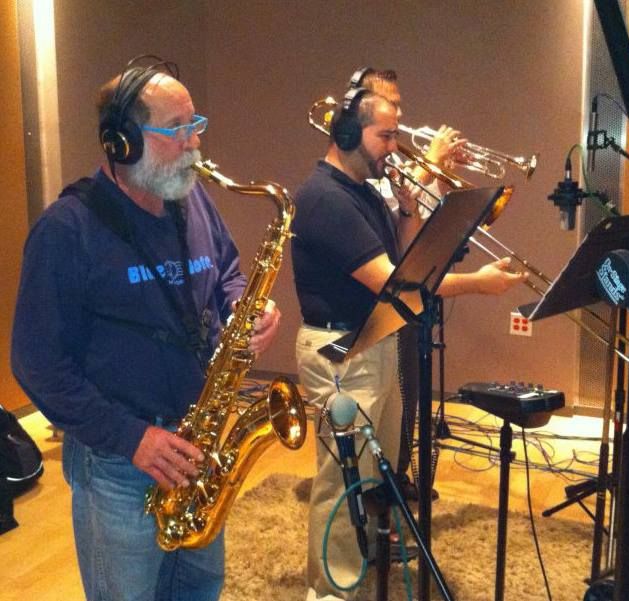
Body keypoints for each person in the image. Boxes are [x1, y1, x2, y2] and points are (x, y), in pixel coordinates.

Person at [11, 57, 281, 601]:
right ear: (123, 143)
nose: (194, 144)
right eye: (176, 130)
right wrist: (131, 438)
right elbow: (37, 363)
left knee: (201, 587)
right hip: (120, 462)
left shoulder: (192, 199)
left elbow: (226, 270)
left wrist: (242, 307)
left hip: (197, 444)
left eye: (194, 125)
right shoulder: (66, 230)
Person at [292, 87, 526, 601]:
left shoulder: (362, 190)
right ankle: (328, 593)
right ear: (348, 135)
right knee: (343, 480)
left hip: (373, 340)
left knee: (377, 471)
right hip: (341, 350)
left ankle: (362, 570)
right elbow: (393, 283)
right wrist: (478, 284)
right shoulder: (325, 198)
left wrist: (405, 210)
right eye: (386, 136)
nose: (395, 147)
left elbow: (404, 257)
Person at [353, 67, 465, 503]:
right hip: (381, 295)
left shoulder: (397, 162)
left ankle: (397, 473)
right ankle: (384, 481)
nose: (399, 113)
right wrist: (429, 164)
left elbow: (417, 220)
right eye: (391, 104)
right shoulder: (363, 168)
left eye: (399, 104)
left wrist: (440, 178)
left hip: (409, 287)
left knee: (409, 391)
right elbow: (385, 209)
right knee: (393, 392)